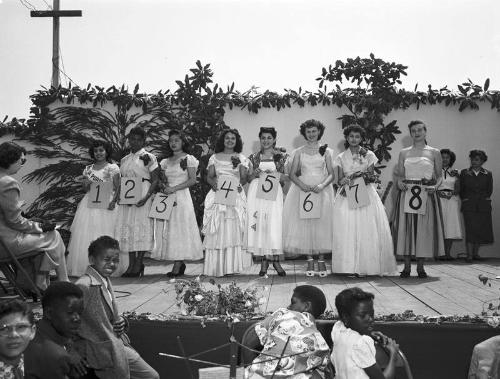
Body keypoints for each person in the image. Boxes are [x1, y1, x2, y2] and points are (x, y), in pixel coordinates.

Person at [74, 235, 159, 379]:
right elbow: (67, 321)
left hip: (115, 344)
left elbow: (107, 315)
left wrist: (121, 321)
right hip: (100, 348)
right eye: (106, 260)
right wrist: (72, 351)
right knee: (151, 376)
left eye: (116, 260)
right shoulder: (84, 285)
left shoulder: (104, 279)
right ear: (92, 259)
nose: (112, 264)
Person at [0, 141, 69, 291]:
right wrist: (40, 227)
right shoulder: (7, 183)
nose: (22, 164)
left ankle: (41, 280)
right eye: (22, 160)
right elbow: (15, 222)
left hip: (4, 237)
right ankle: (62, 282)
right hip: (7, 242)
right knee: (54, 235)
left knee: (47, 238)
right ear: (11, 159)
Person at [332, 124, 396, 276]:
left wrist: (361, 177)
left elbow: (372, 176)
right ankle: (349, 267)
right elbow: (339, 179)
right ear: (347, 138)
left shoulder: (369, 155)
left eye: (357, 136)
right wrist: (345, 181)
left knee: (366, 228)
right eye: (351, 136)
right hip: (347, 195)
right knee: (348, 229)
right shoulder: (341, 157)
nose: (354, 139)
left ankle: (365, 266)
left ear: (361, 138)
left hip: (365, 193)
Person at [392, 120, 445, 278]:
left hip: (425, 194)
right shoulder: (404, 152)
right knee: (406, 229)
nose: (417, 133)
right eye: (413, 130)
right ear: (410, 133)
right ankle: (407, 267)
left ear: (425, 131)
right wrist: (399, 183)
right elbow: (400, 177)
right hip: (407, 194)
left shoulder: (434, 152)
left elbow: (440, 176)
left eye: (420, 130)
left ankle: (421, 267)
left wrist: (435, 186)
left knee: (423, 229)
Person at [282, 119, 335, 277]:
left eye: (314, 131)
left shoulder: (327, 151)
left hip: (321, 189)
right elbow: (291, 173)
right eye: (308, 131)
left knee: (321, 225)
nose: (312, 134)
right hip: (303, 189)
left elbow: (332, 173)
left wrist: (322, 185)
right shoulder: (298, 151)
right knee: (305, 224)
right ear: (304, 133)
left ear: (319, 132)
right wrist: (301, 185)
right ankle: (310, 260)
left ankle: (321, 260)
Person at [245, 285, 331, 378]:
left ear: (306, 306)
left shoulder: (283, 313)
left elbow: (249, 341)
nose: (288, 306)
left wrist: (251, 369)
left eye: (293, 302)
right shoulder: (320, 342)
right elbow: (326, 369)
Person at [67, 140, 123, 277]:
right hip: (90, 203)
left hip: (107, 203)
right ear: (93, 153)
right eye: (96, 150)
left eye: (101, 150)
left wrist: (114, 201)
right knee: (86, 231)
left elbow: (118, 187)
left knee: (106, 231)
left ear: (106, 151)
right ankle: (85, 265)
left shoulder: (113, 168)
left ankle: (107, 265)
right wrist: (86, 183)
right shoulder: (88, 169)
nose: (98, 153)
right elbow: (86, 189)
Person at [151, 130, 203, 276]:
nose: (173, 143)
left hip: (181, 196)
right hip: (167, 197)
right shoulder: (165, 161)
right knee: (170, 229)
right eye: (171, 141)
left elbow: (192, 180)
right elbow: (161, 179)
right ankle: (178, 263)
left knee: (180, 229)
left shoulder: (189, 159)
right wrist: (163, 187)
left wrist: (173, 189)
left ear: (183, 142)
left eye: (177, 140)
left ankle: (177, 264)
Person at [202, 128, 252, 277]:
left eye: (233, 138)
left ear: (237, 142)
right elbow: (209, 176)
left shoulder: (241, 158)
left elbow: (243, 178)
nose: (230, 141)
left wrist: (239, 184)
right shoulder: (214, 157)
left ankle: (231, 266)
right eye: (227, 138)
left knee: (232, 229)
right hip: (218, 194)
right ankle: (216, 267)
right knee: (217, 228)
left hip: (234, 195)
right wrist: (213, 184)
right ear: (222, 140)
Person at [114, 127, 159, 277]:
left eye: (139, 139)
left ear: (143, 141)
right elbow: (122, 181)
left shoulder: (150, 157)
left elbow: (155, 180)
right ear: (129, 140)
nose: (135, 142)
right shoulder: (124, 160)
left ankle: (139, 263)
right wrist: (120, 195)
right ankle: (131, 264)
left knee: (141, 227)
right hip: (128, 197)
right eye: (132, 139)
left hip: (143, 193)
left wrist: (146, 197)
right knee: (129, 228)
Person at [24, 282, 91, 379]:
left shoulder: (36, 330)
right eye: (70, 313)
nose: (77, 318)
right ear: (49, 313)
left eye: (80, 313)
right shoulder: (55, 355)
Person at [331, 287, 399, 379]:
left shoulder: (338, 328)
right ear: (346, 317)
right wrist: (393, 355)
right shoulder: (361, 343)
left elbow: (350, 338)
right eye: (363, 316)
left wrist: (369, 333)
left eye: (372, 314)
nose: (370, 319)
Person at [246, 127, 288, 276]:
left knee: (274, 225)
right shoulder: (253, 157)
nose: (266, 140)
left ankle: (276, 260)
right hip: (257, 195)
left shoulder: (281, 157)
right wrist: (254, 174)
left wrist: (276, 174)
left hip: (274, 195)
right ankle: (264, 261)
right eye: (263, 137)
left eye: (269, 138)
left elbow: (286, 178)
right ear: (260, 139)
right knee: (261, 225)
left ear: (274, 139)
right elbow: (247, 179)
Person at [460, 150, 493, 262]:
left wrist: (483, 200)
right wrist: (466, 199)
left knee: (480, 229)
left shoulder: (488, 174)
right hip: (469, 205)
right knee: (470, 229)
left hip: (483, 205)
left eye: (477, 159)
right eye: (472, 159)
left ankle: (475, 254)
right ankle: (469, 255)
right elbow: (461, 189)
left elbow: (489, 190)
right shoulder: (464, 173)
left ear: (482, 161)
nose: (474, 161)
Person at [437, 148, 463, 260]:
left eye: (447, 157)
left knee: (450, 227)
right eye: (442, 157)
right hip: (439, 200)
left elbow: (459, 188)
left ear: (451, 159)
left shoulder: (455, 172)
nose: (445, 159)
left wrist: (451, 193)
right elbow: (431, 186)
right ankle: (439, 254)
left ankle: (447, 253)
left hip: (452, 201)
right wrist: (439, 193)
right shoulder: (435, 172)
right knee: (440, 226)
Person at [0, 299, 35, 379]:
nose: (13, 335)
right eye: (4, 329)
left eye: (21, 327)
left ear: (32, 331)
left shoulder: (36, 362)